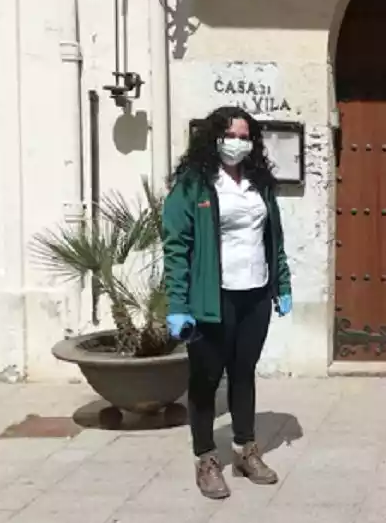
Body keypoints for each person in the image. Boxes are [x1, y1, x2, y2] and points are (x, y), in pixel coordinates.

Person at [162, 105, 293, 499]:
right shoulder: (194, 183)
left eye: (244, 135)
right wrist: (178, 304)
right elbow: (176, 246)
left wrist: (281, 284)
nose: (238, 143)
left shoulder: (259, 183)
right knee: (204, 380)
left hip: (254, 293)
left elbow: (275, 239)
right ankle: (206, 458)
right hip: (211, 298)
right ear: (214, 138)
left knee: (243, 372)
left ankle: (245, 449)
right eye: (230, 135)